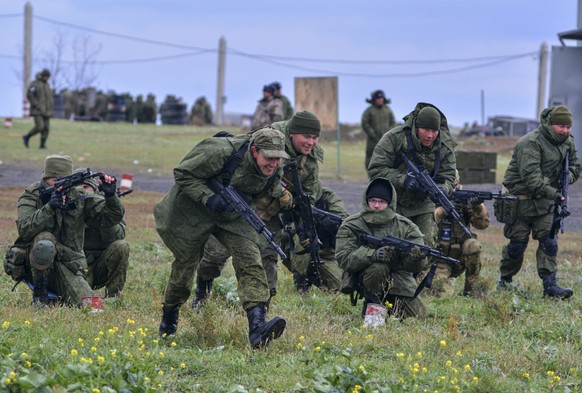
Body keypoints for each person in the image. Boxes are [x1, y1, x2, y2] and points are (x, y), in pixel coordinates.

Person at [192, 111, 350, 309]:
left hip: (271, 215)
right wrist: (279, 190)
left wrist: (302, 224)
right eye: (307, 137)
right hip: (238, 209)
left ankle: (261, 311)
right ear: (292, 133)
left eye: (315, 137)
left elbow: (308, 195)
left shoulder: (309, 160)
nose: (311, 142)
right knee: (214, 256)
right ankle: (201, 293)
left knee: (268, 257)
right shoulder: (270, 139)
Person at [154, 127, 291, 349]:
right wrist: (209, 198)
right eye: (269, 158)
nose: (274, 163)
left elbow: (266, 192)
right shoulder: (219, 151)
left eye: (278, 158)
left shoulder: (275, 168)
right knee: (185, 267)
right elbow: (183, 173)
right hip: (194, 209)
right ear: (254, 151)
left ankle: (257, 328)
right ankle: (168, 324)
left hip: (232, 213)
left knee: (251, 259)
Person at [3, 155, 123, 307]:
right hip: (37, 265)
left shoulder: (78, 194)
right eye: (53, 180)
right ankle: (40, 296)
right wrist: (49, 208)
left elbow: (110, 218)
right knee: (44, 240)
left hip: (69, 264)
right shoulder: (32, 195)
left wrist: (111, 196)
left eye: (63, 180)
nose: (58, 185)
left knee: (92, 307)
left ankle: (58, 298)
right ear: (45, 178)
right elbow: (25, 230)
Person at [497, 105, 580, 298]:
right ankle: (505, 280)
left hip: (545, 202)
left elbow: (576, 166)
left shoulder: (568, 143)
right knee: (517, 245)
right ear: (550, 125)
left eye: (568, 127)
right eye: (561, 126)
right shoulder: (530, 143)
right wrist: (555, 193)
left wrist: (566, 179)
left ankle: (550, 285)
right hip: (520, 202)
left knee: (549, 241)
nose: (565, 131)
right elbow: (532, 179)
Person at [335, 177, 428, 325]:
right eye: (373, 200)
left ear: (390, 203)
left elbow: (415, 267)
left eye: (382, 202)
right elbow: (343, 258)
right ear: (366, 200)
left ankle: (389, 307)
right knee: (378, 267)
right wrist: (373, 255)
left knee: (419, 320)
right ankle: (373, 312)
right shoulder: (352, 224)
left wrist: (416, 258)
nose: (377, 205)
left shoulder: (406, 226)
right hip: (365, 278)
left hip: (399, 280)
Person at [367, 103, 457, 253]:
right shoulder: (394, 138)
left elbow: (448, 176)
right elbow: (376, 170)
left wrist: (442, 189)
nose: (430, 136)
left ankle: (417, 275)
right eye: (426, 130)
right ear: (416, 126)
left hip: (423, 203)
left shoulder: (445, 147)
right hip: (392, 200)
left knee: (425, 245)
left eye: (434, 131)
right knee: (387, 244)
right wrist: (403, 180)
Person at [433, 172, 489, 297]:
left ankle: (471, 289)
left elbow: (483, 224)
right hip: (439, 259)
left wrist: (476, 207)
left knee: (473, 245)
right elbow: (430, 221)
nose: (454, 188)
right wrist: (444, 209)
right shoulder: (433, 197)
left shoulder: (464, 198)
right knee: (441, 294)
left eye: (456, 184)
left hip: (460, 257)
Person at [78, 171, 130, 298]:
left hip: (100, 265)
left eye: (86, 188)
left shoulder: (108, 205)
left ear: (94, 188)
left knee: (121, 246)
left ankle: (113, 297)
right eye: (78, 189)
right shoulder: (68, 205)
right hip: (77, 266)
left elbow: (117, 237)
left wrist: (106, 212)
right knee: (80, 300)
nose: (82, 192)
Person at [361, 90, 396, 169]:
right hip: (373, 141)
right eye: (378, 98)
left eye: (381, 98)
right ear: (374, 99)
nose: (380, 100)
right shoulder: (369, 111)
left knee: (387, 158)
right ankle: (371, 176)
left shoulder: (388, 110)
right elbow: (365, 123)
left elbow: (393, 122)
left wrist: (389, 133)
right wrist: (372, 133)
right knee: (370, 158)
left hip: (386, 140)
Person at [23, 69, 54, 149]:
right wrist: (36, 104)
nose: (46, 78)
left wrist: (51, 107)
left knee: (46, 129)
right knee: (39, 127)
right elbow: (29, 94)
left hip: (47, 111)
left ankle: (42, 145)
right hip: (37, 110)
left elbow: (50, 98)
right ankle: (27, 137)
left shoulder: (47, 85)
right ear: (42, 75)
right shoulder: (35, 84)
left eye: (48, 77)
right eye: (45, 76)